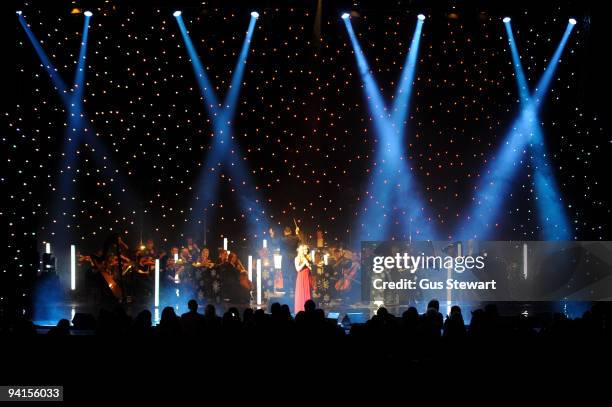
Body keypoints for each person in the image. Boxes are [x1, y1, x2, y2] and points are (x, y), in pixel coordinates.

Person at [294, 244, 312, 313]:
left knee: (308, 293)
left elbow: (310, 268)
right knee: (301, 294)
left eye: (306, 249)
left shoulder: (307, 258)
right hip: (301, 278)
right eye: (304, 249)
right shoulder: (297, 258)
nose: (306, 251)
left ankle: (309, 311)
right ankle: (301, 310)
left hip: (308, 277)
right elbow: (297, 269)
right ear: (300, 250)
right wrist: (304, 263)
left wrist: (309, 266)